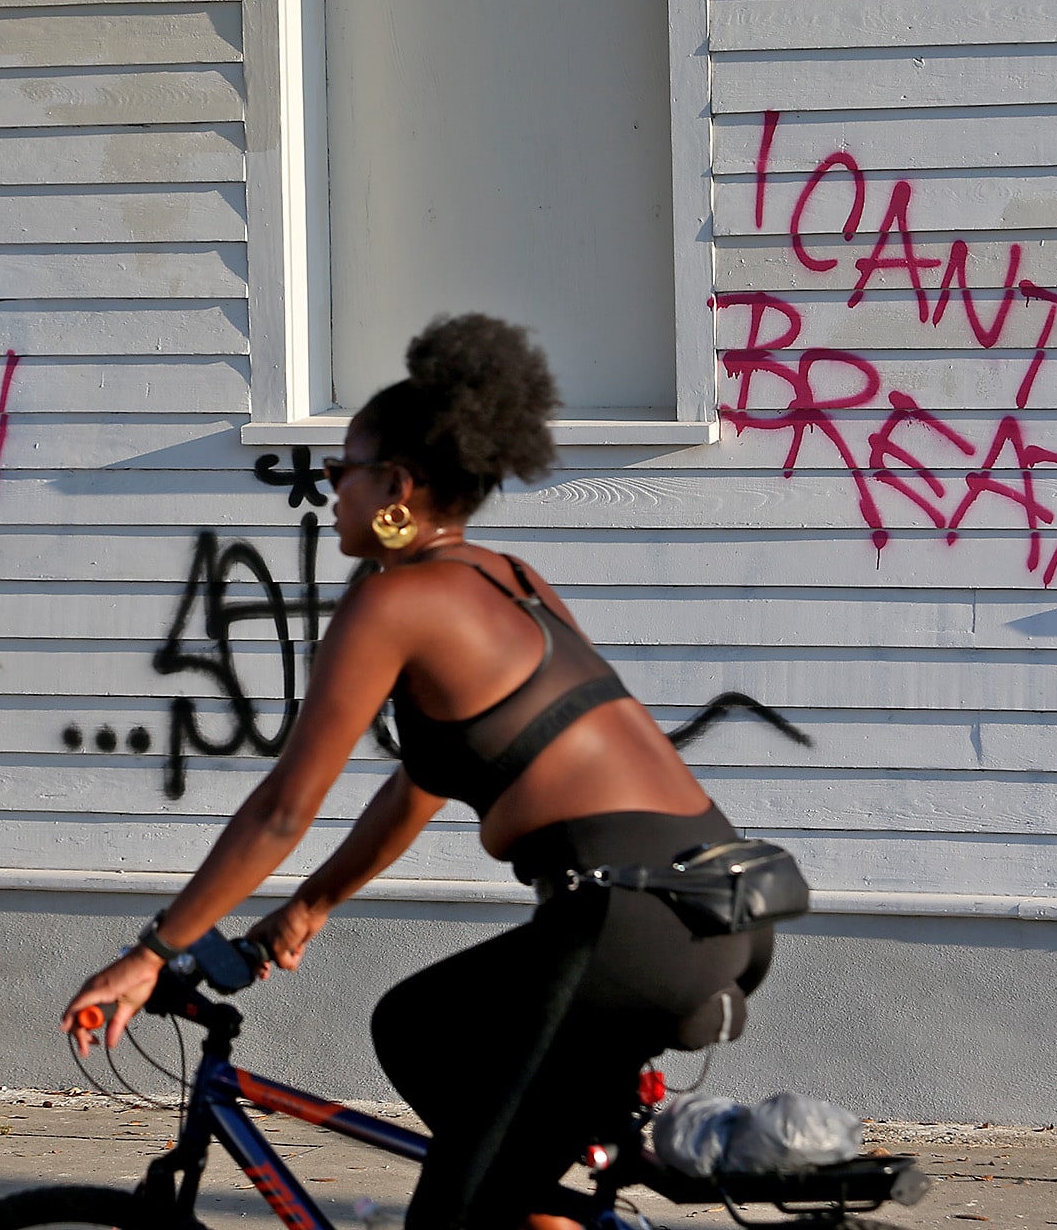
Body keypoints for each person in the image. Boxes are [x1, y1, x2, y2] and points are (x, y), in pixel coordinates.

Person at [61, 314, 772, 1230]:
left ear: (395, 487)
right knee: (418, 1028)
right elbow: (423, 783)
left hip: (627, 924)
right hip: (716, 902)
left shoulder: (396, 600)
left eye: (342, 471)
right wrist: (310, 906)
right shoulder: (509, 579)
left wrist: (152, 953)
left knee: (453, 1214)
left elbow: (283, 810)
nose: (331, 491)